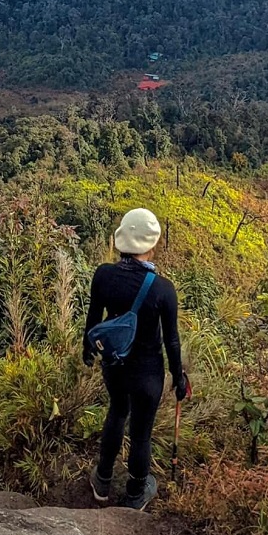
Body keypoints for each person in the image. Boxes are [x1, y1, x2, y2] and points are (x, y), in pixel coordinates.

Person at [83, 207, 187, 510]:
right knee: (141, 432)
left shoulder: (103, 275)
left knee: (116, 412)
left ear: (121, 242)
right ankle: (135, 493)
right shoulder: (163, 290)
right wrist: (178, 377)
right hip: (148, 372)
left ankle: (102, 481)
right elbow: (172, 340)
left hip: (115, 363)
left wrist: (87, 349)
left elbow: (93, 319)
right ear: (151, 246)